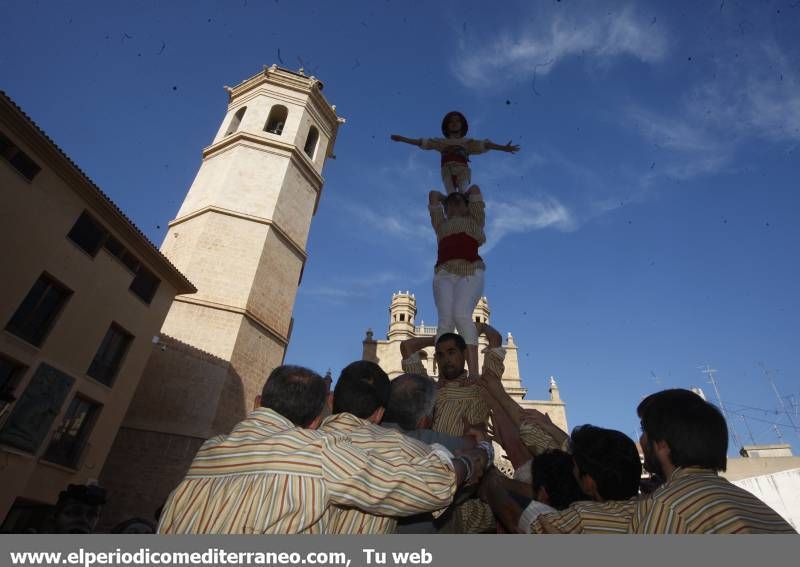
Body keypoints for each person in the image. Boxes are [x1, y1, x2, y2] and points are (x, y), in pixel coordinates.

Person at [157, 365, 479, 534]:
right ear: (314, 421)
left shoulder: (209, 450)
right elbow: (434, 486)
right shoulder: (321, 453)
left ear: (257, 402)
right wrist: (467, 456)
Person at [319, 360, 492, 534]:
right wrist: (480, 452)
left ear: (330, 401)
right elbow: (446, 479)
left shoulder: (299, 440)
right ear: (379, 413)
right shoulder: (411, 450)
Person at [631, 389, 796, 534]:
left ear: (662, 444)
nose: (641, 439)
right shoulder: (752, 504)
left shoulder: (668, 506)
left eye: (643, 430)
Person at [401, 323, 506, 533]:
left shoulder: (480, 385)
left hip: (468, 478)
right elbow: (407, 347)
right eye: (440, 355)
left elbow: (495, 340)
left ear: (465, 354)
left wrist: (477, 326)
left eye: (451, 352)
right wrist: (437, 339)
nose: (446, 359)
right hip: (431, 474)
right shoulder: (429, 389)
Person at [527, 425, 643, 534]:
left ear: (588, 483)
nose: (572, 471)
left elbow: (530, 525)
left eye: (574, 467)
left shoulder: (582, 517)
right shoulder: (649, 507)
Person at [428, 186, 486, 380]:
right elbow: (433, 195)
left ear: (466, 206)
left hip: (469, 270)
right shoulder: (441, 225)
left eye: (457, 204)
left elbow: (476, 188)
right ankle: (444, 377)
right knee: (445, 321)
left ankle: (474, 374)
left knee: (461, 314)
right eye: (449, 206)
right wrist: (449, 199)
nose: (452, 207)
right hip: (444, 273)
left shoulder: (475, 220)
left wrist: (461, 196)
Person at [391, 111, 519, 194]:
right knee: (452, 196)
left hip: (462, 170)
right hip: (446, 170)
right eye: (451, 122)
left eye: (457, 121)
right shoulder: (441, 142)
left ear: (462, 125)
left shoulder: (467, 142)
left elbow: (485, 144)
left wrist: (503, 148)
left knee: (462, 194)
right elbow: (422, 142)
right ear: (447, 126)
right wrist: (402, 139)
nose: (454, 124)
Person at [382, 372, 480, 453]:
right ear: (423, 421)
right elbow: (477, 443)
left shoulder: (370, 427)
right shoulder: (426, 441)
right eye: (434, 412)